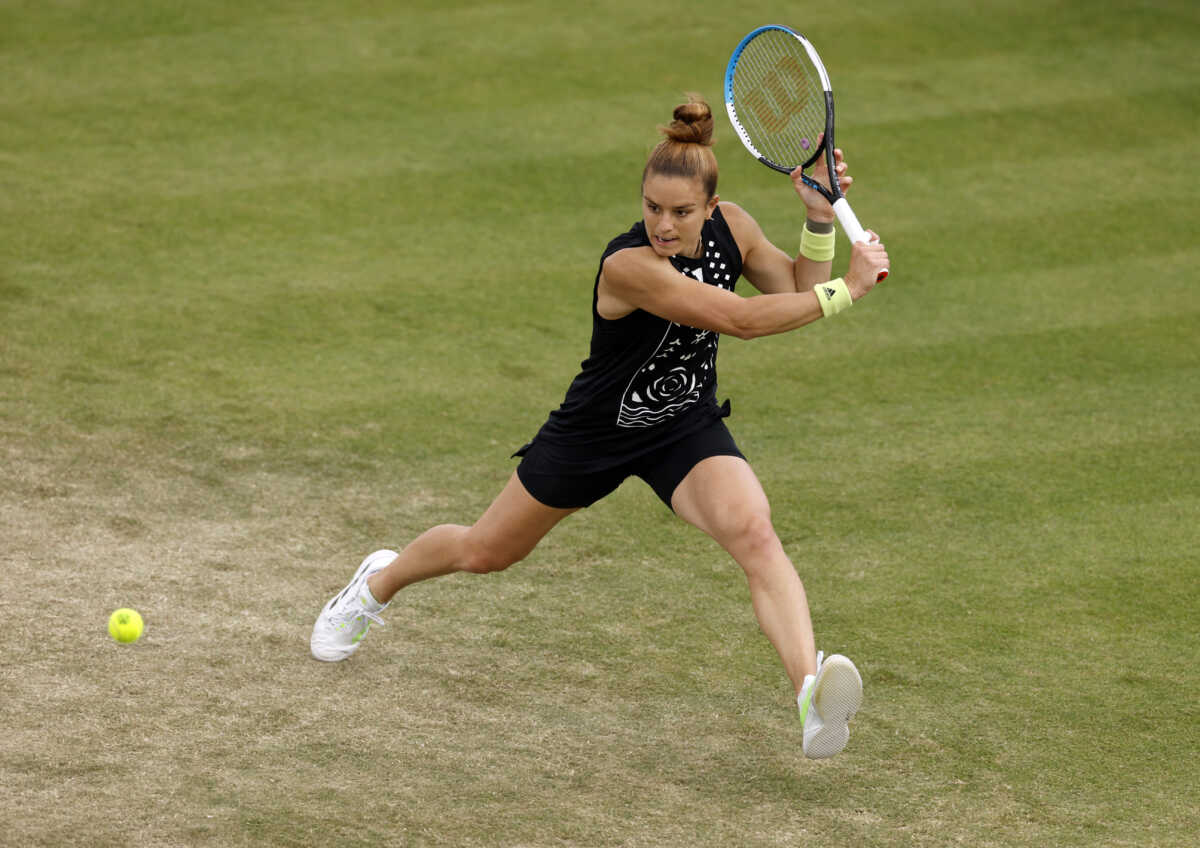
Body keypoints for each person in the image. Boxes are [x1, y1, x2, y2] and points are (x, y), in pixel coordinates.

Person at [311, 95, 889, 759]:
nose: (663, 224)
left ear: (710, 206)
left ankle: (810, 697)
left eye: (680, 212)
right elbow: (740, 318)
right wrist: (847, 289)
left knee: (755, 532)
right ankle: (376, 585)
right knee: (485, 551)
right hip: (595, 433)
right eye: (652, 208)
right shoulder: (629, 266)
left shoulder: (737, 226)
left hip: (682, 424)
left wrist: (818, 220)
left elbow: (791, 288)